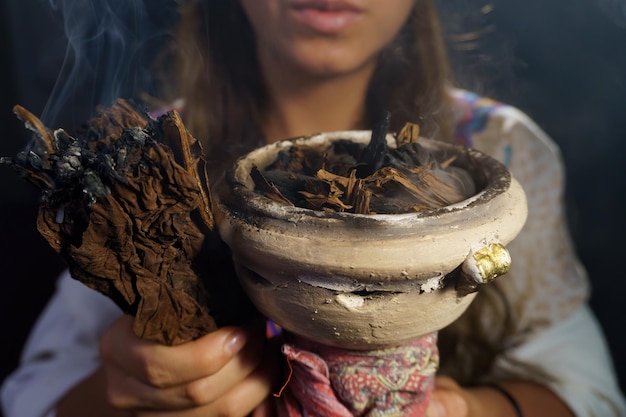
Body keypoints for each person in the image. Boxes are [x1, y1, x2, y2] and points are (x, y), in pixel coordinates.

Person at [2, 0, 625, 416]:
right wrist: (121, 397)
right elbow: (34, 395)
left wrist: (464, 409)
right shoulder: (153, 161)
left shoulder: (501, 148)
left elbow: (589, 391)